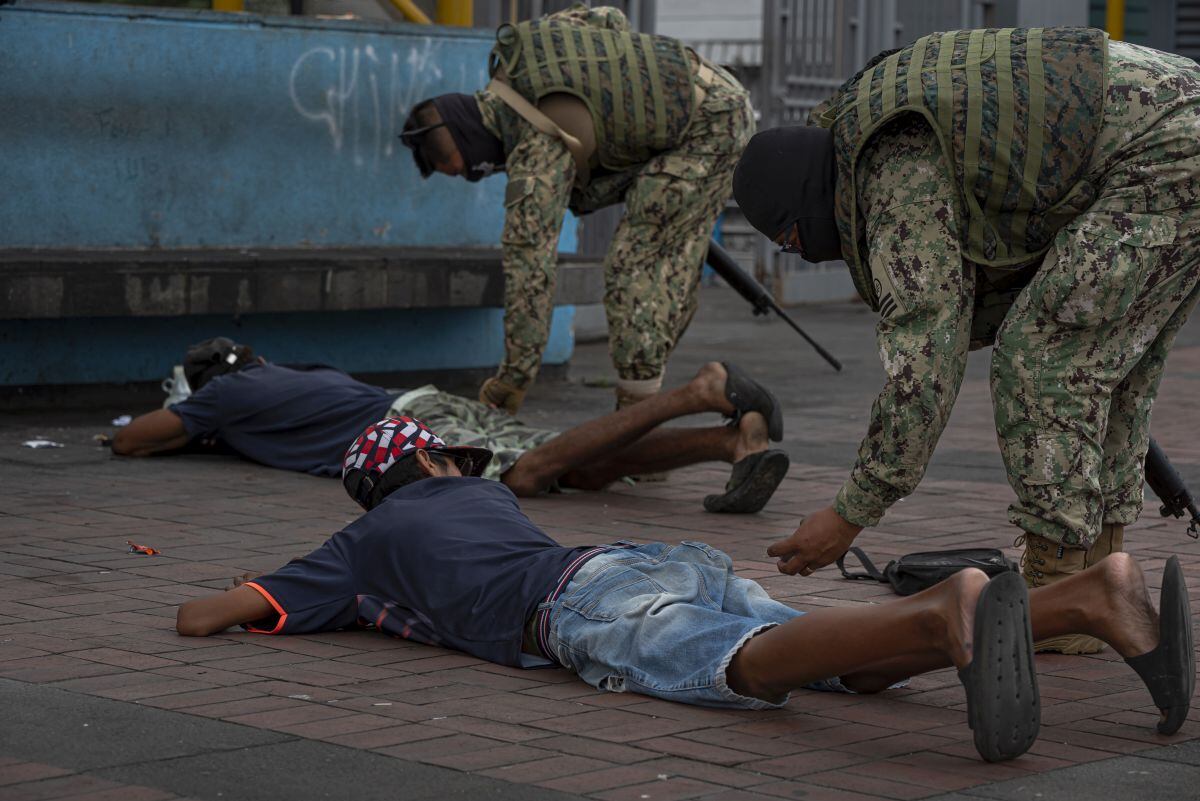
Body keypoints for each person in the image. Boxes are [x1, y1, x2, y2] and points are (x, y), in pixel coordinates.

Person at [175, 415, 1194, 764]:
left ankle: (944, 606)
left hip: (582, 607)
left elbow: (204, 617)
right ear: (443, 465)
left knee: (738, 669)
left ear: (371, 492)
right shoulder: (475, 499)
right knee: (846, 660)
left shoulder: (358, 544)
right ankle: (1089, 597)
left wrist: (258, 586)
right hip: (645, 560)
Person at [732, 29, 1200, 653]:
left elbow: (926, 362)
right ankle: (1101, 576)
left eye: (791, 239)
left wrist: (849, 514)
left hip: (1163, 152)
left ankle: (1065, 591)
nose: (803, 253)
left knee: (1041, 362)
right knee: (1107, 370)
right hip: (1176, 127)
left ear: (806, 200)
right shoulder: (869, 119)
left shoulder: (891, 174)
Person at [398, 5, 755, 415]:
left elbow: (530, 273)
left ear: (470, 142)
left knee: (632, 269)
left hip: (709, 127)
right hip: (715, 92)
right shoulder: (523, 64)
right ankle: (651, 392)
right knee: (667, 260)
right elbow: (608, 18)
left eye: (463, 172)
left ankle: (636, 423)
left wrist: (512, 381)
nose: (475, 177)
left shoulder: (537, 147)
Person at [112, 337, 791, 513]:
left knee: (526, 474)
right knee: (566, 467)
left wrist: (195, 422)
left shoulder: (227, 393)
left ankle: (699, 392)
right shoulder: (282, 373)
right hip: (422, 404)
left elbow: (134, 437)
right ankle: (728, 440)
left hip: (410, 424)